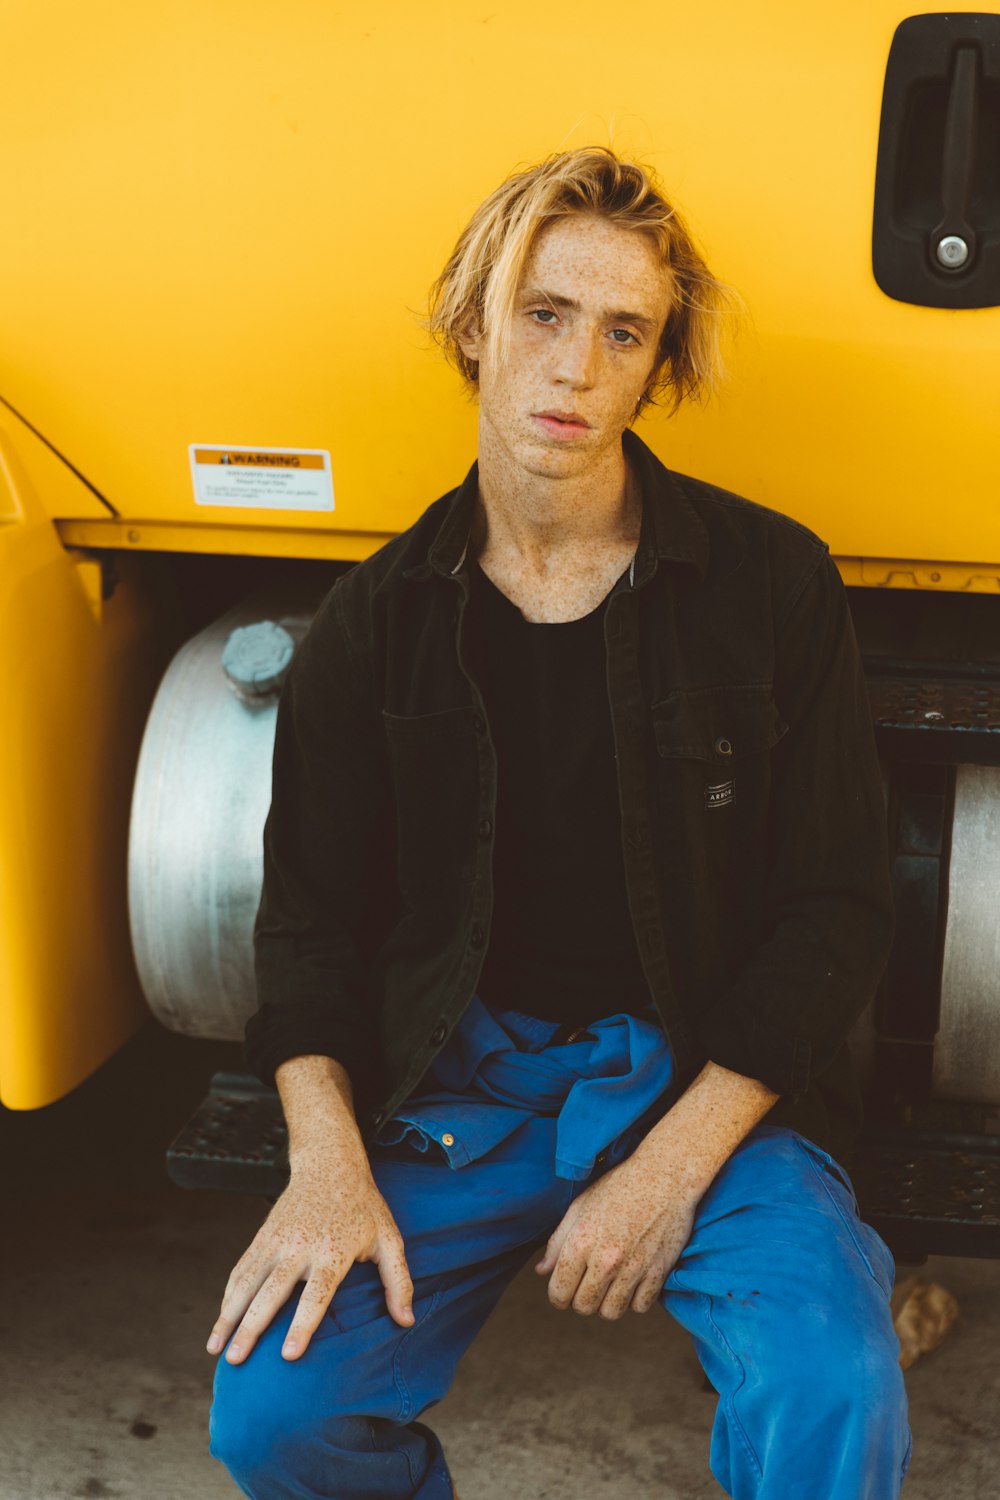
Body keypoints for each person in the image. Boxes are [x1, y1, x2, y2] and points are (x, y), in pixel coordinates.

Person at [206, 147, 913, 1498]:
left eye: (623, 331)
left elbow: (838, 901)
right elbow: (306, 925)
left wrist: (667, 1172)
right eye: (543, 313)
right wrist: (326, 1167)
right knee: (274, 1416)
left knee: (829, 1380)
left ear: (659, 369)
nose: (577, 367)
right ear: (475, 329)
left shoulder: (767, 581)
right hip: (462, 1089)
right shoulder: (381, 618)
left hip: (705, 1081)